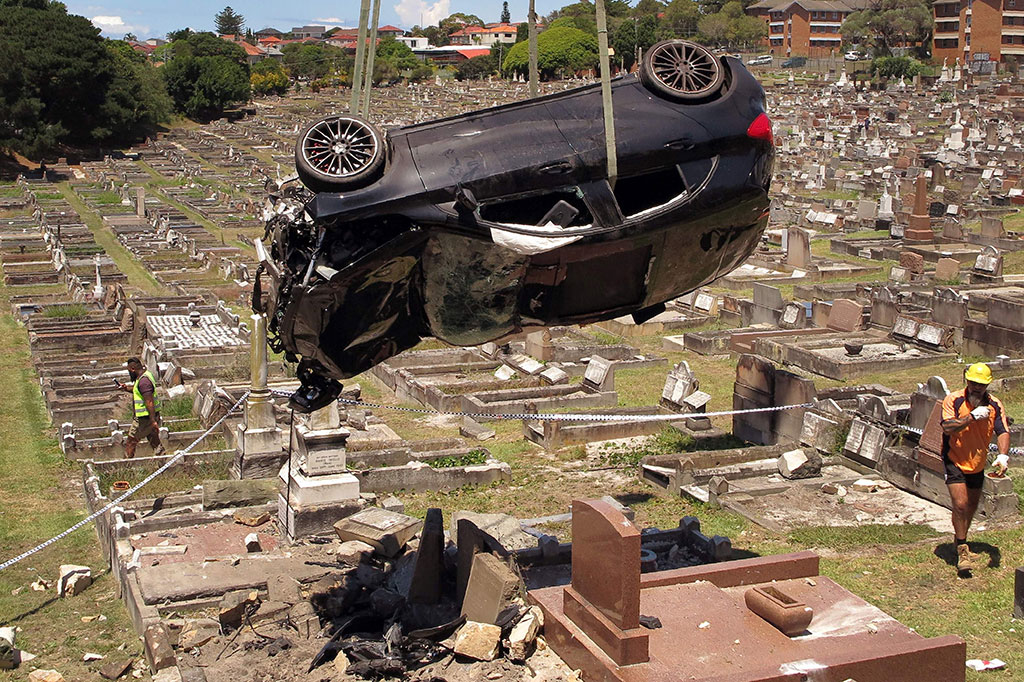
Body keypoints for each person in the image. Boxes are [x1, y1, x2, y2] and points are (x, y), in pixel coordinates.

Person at [940, 362, 1010, 574]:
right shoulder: (953, 400)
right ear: (967, 381)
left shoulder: (995, 405)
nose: (976, 387)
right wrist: (970, 417)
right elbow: (947, 426)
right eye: (972, 383)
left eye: (980, 384)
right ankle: (962, 551)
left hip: (977, 462)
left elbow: (1003, 431)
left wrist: (1003, 456)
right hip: (954, 458)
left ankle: (960, 538)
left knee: (970, 508)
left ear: (987, 385)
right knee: (960, 504)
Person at [117, 357, 165, 459]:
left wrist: (153, 421)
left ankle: (126, 466)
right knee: (154, 441)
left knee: (131, 441)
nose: (129, 373)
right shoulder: (144, 376)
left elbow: (149, 401)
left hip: (144, 418)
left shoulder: (144, 382)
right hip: (149, 417)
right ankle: (164, 460)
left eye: (129, 371)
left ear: (133, 369)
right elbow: (138, 390)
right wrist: (126, 388)